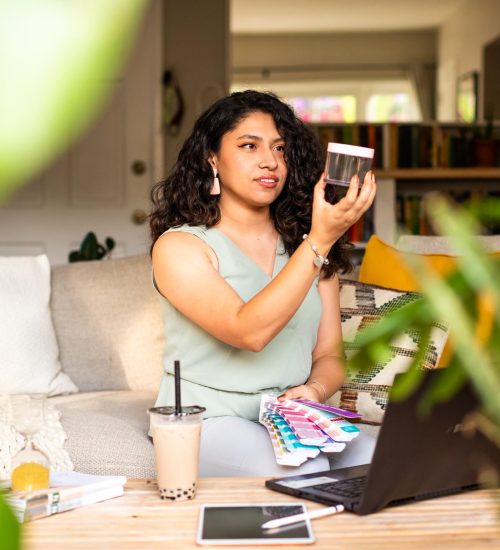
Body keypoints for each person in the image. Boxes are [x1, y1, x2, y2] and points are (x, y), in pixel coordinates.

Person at [149, 90, 377, 477]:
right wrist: (320, 240)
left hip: (289, 416)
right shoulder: (180, 247)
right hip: (206, 417)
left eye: (279, 148)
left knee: (383, 461)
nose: (270, 161)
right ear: (212, 159)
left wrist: (315, 391)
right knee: (307, 467)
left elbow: (329, 355)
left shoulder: (306, 245)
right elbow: (248, 332)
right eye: (249, 146)